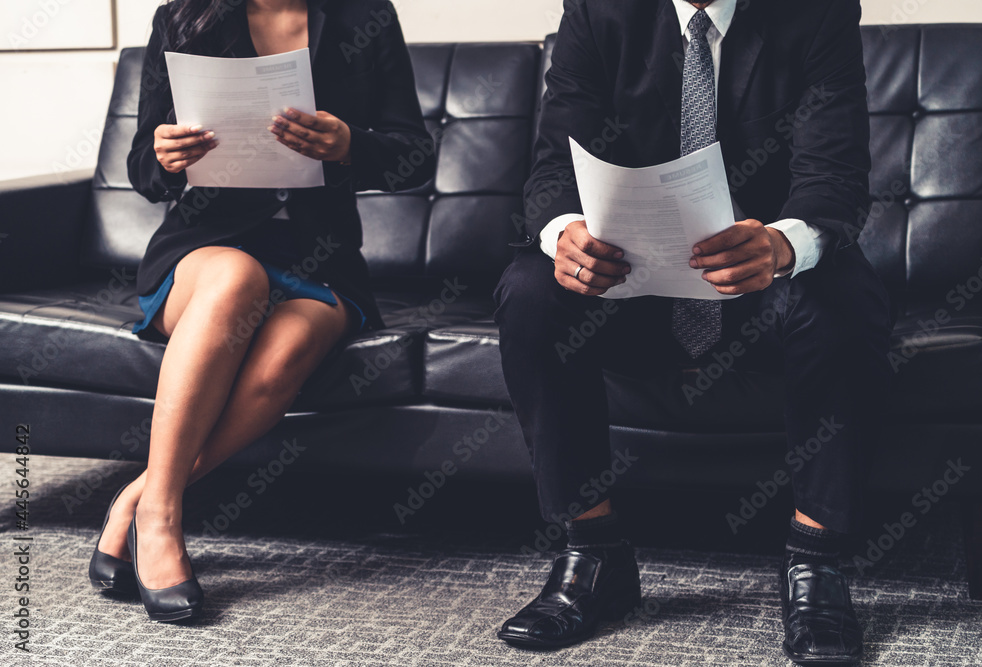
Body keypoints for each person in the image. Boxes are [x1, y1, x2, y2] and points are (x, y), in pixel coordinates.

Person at [493, 0, 892, 663]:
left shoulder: (816, 13)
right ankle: (594, 554)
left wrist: (782, 245)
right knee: (529, 290)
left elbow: (835, 176)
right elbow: (553, 162)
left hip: (761, 289)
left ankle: (817, 565)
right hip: (631, 285)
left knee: (847, 294)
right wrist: (563, 231)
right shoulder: (599, 13)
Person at [87, 0, 432, 622]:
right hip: (202, 252)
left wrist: (352, 145)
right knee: (236, 277)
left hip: (320, 258)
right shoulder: (184, 17)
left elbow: (415, 157)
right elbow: (143, 165)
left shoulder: (365, 16)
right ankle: (162, 519)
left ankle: (135, 498)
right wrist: (165, 158)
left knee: (284, 357)